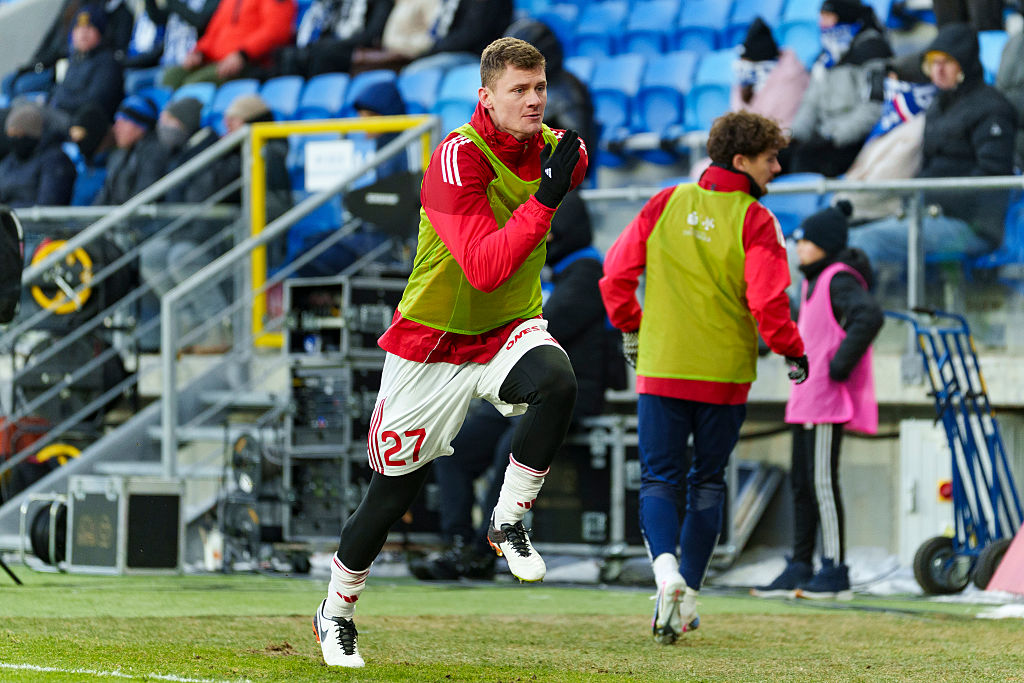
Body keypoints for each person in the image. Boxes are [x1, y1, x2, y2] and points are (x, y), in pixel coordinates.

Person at [311, 36, 587, 667]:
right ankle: (336, 611)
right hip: (432, 343)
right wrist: (546, 197)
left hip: (508, 327)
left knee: (558, 380)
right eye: (518, 90)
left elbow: (564, 179)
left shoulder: (558, 151)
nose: (534, 100)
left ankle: (509, 519)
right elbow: (484, 268)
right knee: (390, 498)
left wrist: (553, 185)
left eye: (540, 87)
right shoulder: (457, 156)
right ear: (485, 97)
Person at [599, 111, 807, 644]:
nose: (777, 168)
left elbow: (616, 274)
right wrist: (792, 349)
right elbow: (768, 303)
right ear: (741, 160)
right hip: (723, 374)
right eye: (770, 159)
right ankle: (686, 593)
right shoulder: (757, 220)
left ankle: (665, 574)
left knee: (659, 480)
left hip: (662, 366)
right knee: (708, 482)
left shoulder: (664, 202)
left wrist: (632, 326)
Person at [408, 190, 621, 580]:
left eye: (549, 230)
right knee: (455, 450)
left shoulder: (588, 273)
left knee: (510, 450)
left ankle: (483, 552)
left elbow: (544, 328)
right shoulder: (557, 273)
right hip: (526, 392)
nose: (542, 237)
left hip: (568, 395)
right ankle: (458, 544)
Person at [752, 201, 883, 601]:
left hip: (826, 402)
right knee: (801, 484)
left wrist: (838, 366)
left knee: (822, 484)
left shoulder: (838, 279)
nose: (799, 247)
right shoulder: (812, 281)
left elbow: (869, 317)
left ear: (824, 244)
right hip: (805, 400)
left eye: (806, 241)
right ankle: (800, 564)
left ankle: (835, 570)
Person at [848, 23, 1017, 266]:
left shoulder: (992, 108)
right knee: (844, 235)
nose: (938, 70)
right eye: (932, 63)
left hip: (972, 226)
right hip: (928, 213)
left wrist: (933, 197)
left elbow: (992, 177)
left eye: (946, 62)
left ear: (965, 63)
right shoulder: (938, 105)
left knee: (867, 241)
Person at [786, 0, 892, 177]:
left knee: (805, 160)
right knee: (775, 157)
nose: (821, 24)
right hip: (824, 137)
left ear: (844, 16)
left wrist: (833, 137)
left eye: (828, 17)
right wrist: (794, 135)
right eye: (821, 17)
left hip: (855, 141)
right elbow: (810, 103)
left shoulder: (872, 52)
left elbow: (873, 108)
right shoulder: (826, 56)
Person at [161, 0, 296, 87]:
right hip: (217, 61)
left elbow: (276, 31)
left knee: (195, 83)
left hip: (250, 63)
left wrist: (243, 54)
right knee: (172, 76)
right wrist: (199, 52)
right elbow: (213, 32)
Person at [48, 4, 126, 125]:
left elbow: (94, 101)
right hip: (64, 115)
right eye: (78, 28)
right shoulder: (74, 59)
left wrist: (62, 101)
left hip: (84, 123)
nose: (83, 33)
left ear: (100, 32)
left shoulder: (108, 62)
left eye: (89, 27)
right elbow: (58, 91)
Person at [730, 16, 810, 131]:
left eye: (749, 62)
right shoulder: (744, 83)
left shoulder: (791, 79)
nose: (744, 68)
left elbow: (782, 127)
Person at [277, 0, 395, 77]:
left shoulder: (380, 2)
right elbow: (329, 28)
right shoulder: (341, 3)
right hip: (335, 44)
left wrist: (337, 44)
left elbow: (371, 35)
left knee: (326, 51)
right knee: (288, 55)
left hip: (354, 46)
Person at [93, 94, 169, 205]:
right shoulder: (118, 155)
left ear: (140, 126)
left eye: (123, 122)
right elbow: (104, 196)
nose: (116, 128)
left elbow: (143, 198)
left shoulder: (155, 154)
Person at [0, 102, 77, 207]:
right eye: (10, 135)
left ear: (31, 134)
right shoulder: (10, 161)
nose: (14, 140)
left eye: (18, 134)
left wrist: (8, 210)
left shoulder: (55, 160)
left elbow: (48, 203)